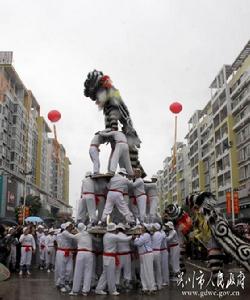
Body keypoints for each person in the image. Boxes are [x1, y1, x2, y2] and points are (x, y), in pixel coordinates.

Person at [95, 223, 132, 296]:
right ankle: (112, 290)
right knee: (111, 274)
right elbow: (125, 239)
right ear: (113, 229)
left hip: (106, 257)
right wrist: (132, 236)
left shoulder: (106, 235)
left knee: (105, 274)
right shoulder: (112, 236)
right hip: (110, 257)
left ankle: (99, 289)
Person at [69, 223, 94, 296]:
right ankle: (85, 291)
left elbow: (72, 236)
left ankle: (75, 290)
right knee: (88, 272)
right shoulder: (90, 234)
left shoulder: (78, 235)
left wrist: (74, 231)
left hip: (80, 254)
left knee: (78, 271)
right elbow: (96, 239)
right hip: (89, 254)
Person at [134, 224, 155, 294]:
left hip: (147, 254)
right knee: (143, 272)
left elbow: (138, 243)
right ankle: (145, 287)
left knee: (149, 271)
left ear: (146, 228)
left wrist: (136, 237)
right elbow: (136, 243)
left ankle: (151, 288)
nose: (141, 227)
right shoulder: (142, 235)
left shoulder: (146, 235)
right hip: (143, 255)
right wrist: (137, 237)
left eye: (143, 227)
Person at [56, 222, 76, 292]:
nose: (72, 227)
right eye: (70, 226)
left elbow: (71, 243)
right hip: (62, 253)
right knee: (62, 269)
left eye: (72, 226)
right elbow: (74, 237)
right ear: (66, 227)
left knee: (69, 270)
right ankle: (61, 284)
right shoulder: (65, 232)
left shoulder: (69, 233)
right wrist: (81, 234)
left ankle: (66, 283)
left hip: (69, 253)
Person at [115, 223, 132, 289]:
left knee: (118, 270)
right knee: (127, 270)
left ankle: (117, 284)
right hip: (127, 255)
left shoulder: (116, 236)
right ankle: (127, 284)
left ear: (118, 229)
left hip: (119, 255)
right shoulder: (126, 236)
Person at [151, 223, 165, 290]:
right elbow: (164, 236)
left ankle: (154, 284)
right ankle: (159, 285)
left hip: (152, 252)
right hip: (158, 252)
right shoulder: (161, 234)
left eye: (153, 227)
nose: (152, 228)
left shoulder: (152, 234)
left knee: (152, 269)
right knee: (158, 269)